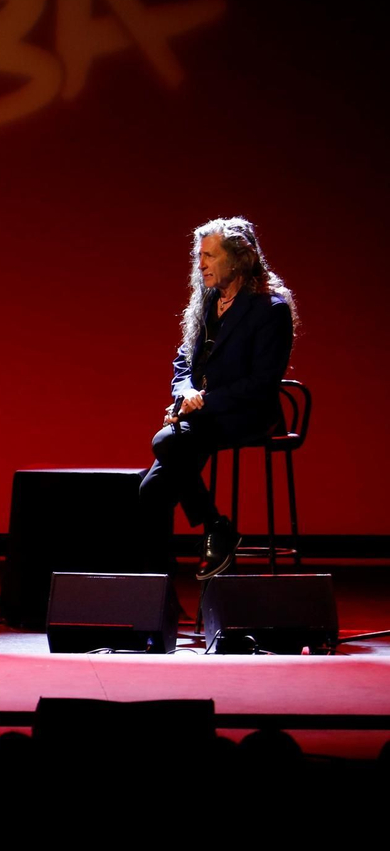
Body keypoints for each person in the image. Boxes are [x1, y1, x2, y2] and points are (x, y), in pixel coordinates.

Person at [140, 216, 295, 580]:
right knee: (151, 493)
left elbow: (261, 383)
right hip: (205, 413)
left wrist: (203, 401)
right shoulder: (208, 302)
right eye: (199, 256)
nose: (201, 265)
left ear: (241, 258)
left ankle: (216, 527)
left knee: (165, 442)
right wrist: (185, 394)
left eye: (210, 256)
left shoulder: (270, 309)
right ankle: (172, 586)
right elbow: (182, 360)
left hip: (247, 413)